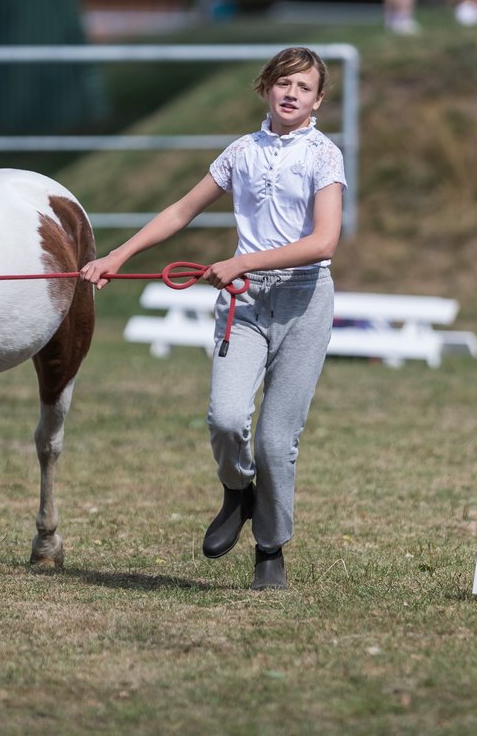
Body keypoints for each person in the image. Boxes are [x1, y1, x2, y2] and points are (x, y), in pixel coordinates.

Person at [78, 47, 345, 591]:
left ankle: (270, 548)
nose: (291, 93)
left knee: (276, 441)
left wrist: (242, 260)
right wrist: (116, 257)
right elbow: (180, 210)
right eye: (283, 82)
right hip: (243, 305)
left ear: (318, 100)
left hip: (303, 301)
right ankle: (237, 489)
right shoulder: (240, 152)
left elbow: (324, 241)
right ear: (266, 87)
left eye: (304, 86)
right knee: (225, 419)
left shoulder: (324, 156)